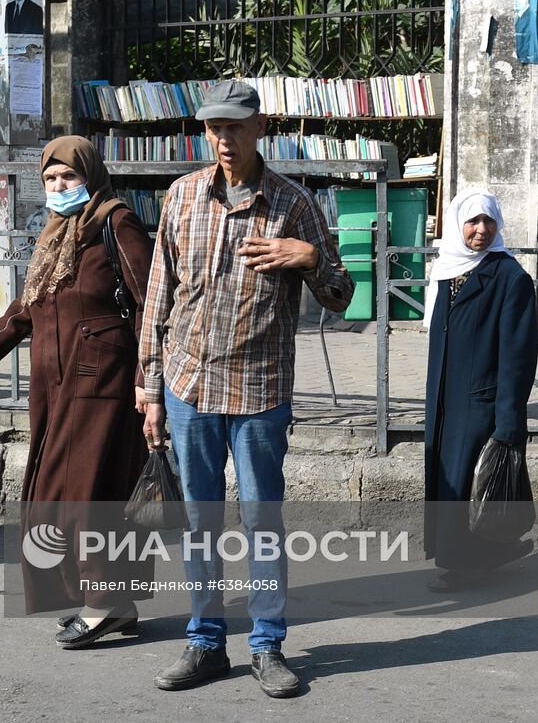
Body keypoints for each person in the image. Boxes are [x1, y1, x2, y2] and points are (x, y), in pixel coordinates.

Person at [138, 80, 353, 697]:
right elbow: (159, 298)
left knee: (262, 518)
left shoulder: (293, 204)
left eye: (235, 127)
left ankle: (267, 645)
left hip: (259, 389)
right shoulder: (181, 197)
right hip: (188, 385)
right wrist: (150, 390)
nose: (224, 140)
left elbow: (341, 299)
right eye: (214, 129)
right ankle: (205, 641)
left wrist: (308, 257)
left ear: (261, 127)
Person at [0, 137, 154, 648]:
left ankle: (105, 602)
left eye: (69, 178)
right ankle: (109, 600)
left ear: (90, 176)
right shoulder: (54, 236)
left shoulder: (115, 222)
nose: (60, 188)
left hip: (101, 385)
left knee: (85, 500)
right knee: (49, 497)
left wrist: (151, 381)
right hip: (54, 388)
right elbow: (25, 311)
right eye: (51, 180)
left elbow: (152, 300)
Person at [423, 189, 538, 592]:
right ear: (457, 225)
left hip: (480, 402)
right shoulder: (448, 270)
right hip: (445, 400)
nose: (481, 229)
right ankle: (479, 554)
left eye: (489, 221)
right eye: (473, 221)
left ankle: (470, 562)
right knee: (451, 481)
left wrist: (509, 423)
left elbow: (518, 358)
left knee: (469, 482)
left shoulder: (510, 278)